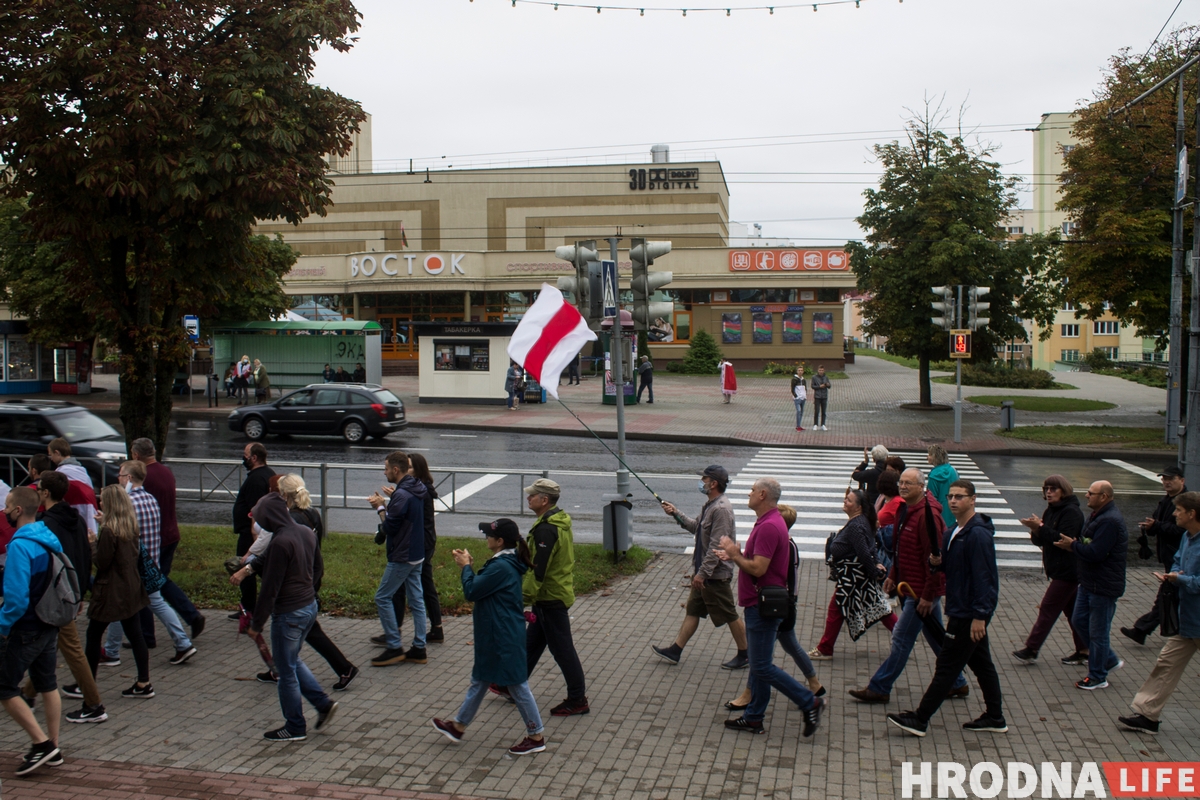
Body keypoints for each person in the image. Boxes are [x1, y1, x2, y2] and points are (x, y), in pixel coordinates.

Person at [887, 479, 1006, 737]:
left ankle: (920, 718)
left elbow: (985, 579)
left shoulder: (977, 534)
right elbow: (950, 569)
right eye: (951, 496)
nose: (953, 501)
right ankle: (995, 717)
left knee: (947, 666)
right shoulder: (953, 531)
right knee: (982, 664)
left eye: (960, 497)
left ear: (972, 500)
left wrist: (980, 617)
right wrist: (937, 563)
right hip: (960, 608)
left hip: (967, 614)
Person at [848, 468, 968, 703]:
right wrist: (893, 574)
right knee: (935, 636)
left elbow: (935, 558)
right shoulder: (906, 508)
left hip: (921, 590)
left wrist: (928, 594)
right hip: (911, 584)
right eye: (901, 482)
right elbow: (902, 548)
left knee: (902, 637)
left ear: (921, 487)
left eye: (909, 484)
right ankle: (957, 682)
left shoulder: (927, 516)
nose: (903, 487)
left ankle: (880, 687)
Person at [716, 478, 824, 737]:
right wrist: (738, 554)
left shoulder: (768, 526)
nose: (749, 493)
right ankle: (754, 717)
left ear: (763, 494)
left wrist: (735, 555)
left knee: (762, 666)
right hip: (760, 603)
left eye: (753, 490)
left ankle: (810, 702)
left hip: (762, 605)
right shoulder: (769, 522)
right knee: (758, 664)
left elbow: (758, 568)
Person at [432, 519, 546, 756]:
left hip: (502, 635)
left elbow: (472, 591)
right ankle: (458, 726)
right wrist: (469, 566)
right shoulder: (504, 562)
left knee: (517, 684)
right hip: (496, 632)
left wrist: (465, 567)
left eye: (488, 535)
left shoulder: (501, 567)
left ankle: (536, 735)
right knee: (481, 677)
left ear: (500, 541)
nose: (486, 538)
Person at [492, 479, 589, 716]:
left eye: (532, 496)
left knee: (563, 650)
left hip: (550, 597)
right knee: (531, 644)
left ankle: (577, 699)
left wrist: (520, 597)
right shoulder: (552, 521)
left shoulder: (547, 528)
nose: (528, 499)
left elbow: (539, 569)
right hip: (549, 595)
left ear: (544, 500)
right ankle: (511, 685)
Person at [247, 492, 339, 741]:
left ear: (268, 518)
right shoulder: (304, 531)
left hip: (288, 613)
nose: (258, 523)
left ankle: (295, 726)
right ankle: (322, 704)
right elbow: (318, 567)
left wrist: (257, 624)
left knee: (285, 671)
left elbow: (270, 588)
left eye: (260, 518)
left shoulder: (279, 542)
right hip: (308, 607)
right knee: (291, 660)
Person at [19, 472, 104, 724]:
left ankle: (94, 703)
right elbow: (84, 554)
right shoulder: (75, 519)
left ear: (45, 493)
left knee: (72, 650)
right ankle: (28, 693)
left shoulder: (45, 524)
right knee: (51, 643)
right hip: (71, 592)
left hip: (54, 595)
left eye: (39, 489)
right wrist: (79, 594)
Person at [1117, 490, 1200, 735]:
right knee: (1166, 664)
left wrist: (1181, 580)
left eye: (1179, 511)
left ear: (1192, 513)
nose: (1174, 514)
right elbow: (1177, 560)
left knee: (1166, 664)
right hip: (1187, 620)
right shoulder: (1188, 536)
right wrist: (1174, 574)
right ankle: (1147, 715)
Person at [653, 465, 748, 669]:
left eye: (704, 479)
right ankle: (675, 650)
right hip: (704, 575)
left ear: (713, 483)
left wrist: (702, 575)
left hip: (715, 576)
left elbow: (716, 546)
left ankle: (745, 653)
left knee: (729, 613)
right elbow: (696, 527)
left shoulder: (721, 510)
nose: (701, 482)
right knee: (693, 611)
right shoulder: (710, 505)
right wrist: (675, 513)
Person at [0, 486, 66, 775]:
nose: (3, 511)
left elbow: (15, 599)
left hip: (26, 627)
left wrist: (2, 627)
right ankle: (54, 745)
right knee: (47, 683)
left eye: (6, 506)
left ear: (17, 511)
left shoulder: (19, 546)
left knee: (4, 688)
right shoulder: (49, 538)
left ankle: (41, 744)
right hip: (50, 621)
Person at [102, 462, 195, 665]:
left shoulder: (128, 503)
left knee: (121, 606)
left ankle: (111, 652)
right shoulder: (150, 499)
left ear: (129, 478)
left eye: (121, 475)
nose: (118, 478)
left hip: (133, 567)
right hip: (151, 564)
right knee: (156, 604)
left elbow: (120, 533)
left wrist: (104, 522)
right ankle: (183, 643)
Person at [1054, 480, 1127, 690]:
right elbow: (1088, 543)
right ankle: (1109, 659)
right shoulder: (1098, 515)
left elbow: (1096, 552)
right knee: (1079, 621)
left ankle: (1097, 676)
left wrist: (1073, 546)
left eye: (1091, 493)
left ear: (1104, 496)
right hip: (1089, 583)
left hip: (1102, 586)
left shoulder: (1109, 521)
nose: (1086, 496)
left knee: (1098, 633)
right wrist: (1077, 544)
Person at [84, 485, 153, 700]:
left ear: (111, 504)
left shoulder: (108, 531)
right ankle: (144, 681)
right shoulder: (130, 525)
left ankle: (87, 684)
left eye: (103, 500)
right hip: (131, 586)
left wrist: (93, 544)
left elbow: (102, 563)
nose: (100, 503)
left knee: (93, 636)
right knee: (135, 634)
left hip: (110, 591)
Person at [811, 489, 896, 660]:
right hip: (858, 575)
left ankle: (825, 648)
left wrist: (874, 571)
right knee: (879, 607)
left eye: (849, 500)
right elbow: (872, 546)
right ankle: (903, 637)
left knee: (837, 608)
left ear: (858, 506)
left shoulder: (856, 525)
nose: (845, 502)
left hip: (854, 577)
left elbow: (864, 551)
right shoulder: (862, 522)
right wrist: (875, 565)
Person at [132, 438, 204, 640]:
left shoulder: (145, 477)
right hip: (170, 533)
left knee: (150, 583)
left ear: (136, 455)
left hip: (155, 537)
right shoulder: (165, 472)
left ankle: (149, 633)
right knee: (156, 581)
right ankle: (188, 617)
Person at [1013, 475, 1087, 665]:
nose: (1048, 492)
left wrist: (1041, 527)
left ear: (1064, 490)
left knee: (1048, 608)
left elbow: (1062, 540)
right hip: (1058, 569)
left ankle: (1032, 648)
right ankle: (1085, 650)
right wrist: (1035, 529)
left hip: (1068, 570)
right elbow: (1041, 541)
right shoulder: (1051, 510)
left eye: (1053, 489)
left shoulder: (1072, 512)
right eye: (1046, 489)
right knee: (1073, 613)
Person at [367, 451, 429, 667]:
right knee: (417, 601)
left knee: (382, 597)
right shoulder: (416, 487)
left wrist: (380, 508)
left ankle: (394, 646)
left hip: (402, 554)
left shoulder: (402, 494)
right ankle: (419, 648)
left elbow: (390, 527)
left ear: (395, 469)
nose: (384, 473)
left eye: (386, 469)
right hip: (417, 553)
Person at [1122, 466, 1187, 646]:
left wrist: (1157, 526)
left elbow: (1183, 530)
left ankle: (1141, 629)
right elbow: (1160, 524)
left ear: (1182, 480)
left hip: (1180, 559)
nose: (1166, 482)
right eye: (1164, 479)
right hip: (1170, 557)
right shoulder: (1166, 501)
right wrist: (1150, 527)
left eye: (1170, 479)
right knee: (1172, 595)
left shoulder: (1186, 503)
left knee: (1167, 595)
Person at [386, 454, 444, 646]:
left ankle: (396, 631)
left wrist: (389, 502)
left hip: (420, 542)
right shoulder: (419, 489)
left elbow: (401, 519)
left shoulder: (420, 491)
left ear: (418, 469)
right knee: (420, 587)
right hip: (423, 541)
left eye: (409, 467)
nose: (406, 470)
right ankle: (432, 629)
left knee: (412, 588)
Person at [232, 443, 275, 617]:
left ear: (254, 457)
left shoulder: (256, 479)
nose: (244, 458)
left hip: (252, 535)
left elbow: (254, 510)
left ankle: (249, 608)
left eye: (246, 455)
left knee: (247, 567)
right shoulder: (268, 474)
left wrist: (254, 536)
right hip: (261, 533)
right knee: (264, 569)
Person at [27, 455, 97, 537]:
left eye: (38, 489)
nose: (37, 492)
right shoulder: (80, 520)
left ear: (46, 493)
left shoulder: (44, 526)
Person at [925, 445, 959, 528]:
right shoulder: (953, 471)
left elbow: (931, 499)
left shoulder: (933, 476)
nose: (927, 457)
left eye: (929, 455)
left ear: (935, 457)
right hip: (952, 509)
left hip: (939, 513)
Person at [810, 365, 831, 430]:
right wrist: (819, 386)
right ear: (818, 370)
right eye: (820, 370)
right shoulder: (814, 377)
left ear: (824, 370)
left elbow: (829, 386)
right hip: (817, 396)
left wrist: (827, 385)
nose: (821, 372)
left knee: (824, 411)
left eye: (822, 370)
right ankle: (815, 424)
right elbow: (812, 386)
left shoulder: (826, 377)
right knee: (816, 411)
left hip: (824, 396)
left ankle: (823, 424)